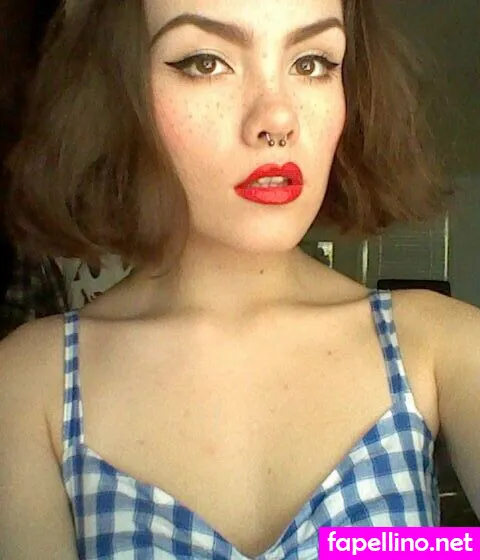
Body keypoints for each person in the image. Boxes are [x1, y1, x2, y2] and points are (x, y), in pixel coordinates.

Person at [0, 0, 478, 558]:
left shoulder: (443, 347)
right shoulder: (29, 384)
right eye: (206, 62)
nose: (278, 118)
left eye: (312, 63)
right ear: (114, 93)